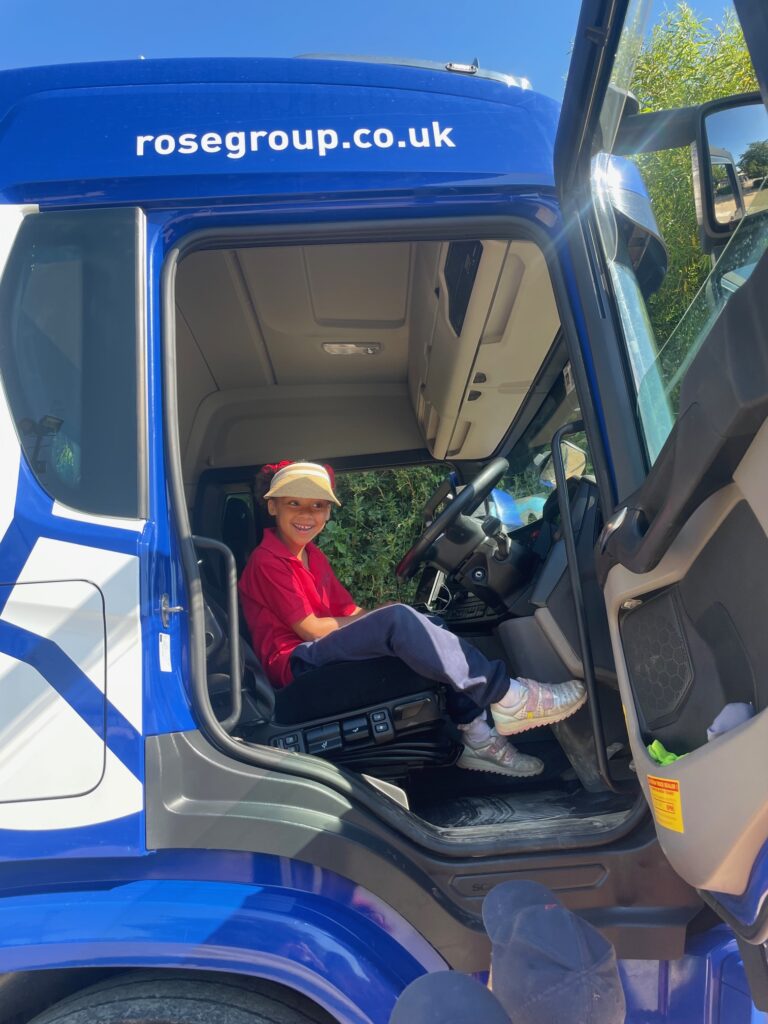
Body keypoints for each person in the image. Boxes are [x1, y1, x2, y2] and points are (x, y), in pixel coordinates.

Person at [238, 460, 586, 777]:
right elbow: (310, 628)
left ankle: (477, 736)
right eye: (293, 503)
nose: (306, 514)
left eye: (318, 505)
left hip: (314, 648)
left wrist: (386, 616)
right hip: (292, 662)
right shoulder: (267, 561)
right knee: (400, 621)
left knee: (426, 624)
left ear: (328, 512)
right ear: (272, 506)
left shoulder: (312, 556)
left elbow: (349, 613)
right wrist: (388, 619)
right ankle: (509, 695)